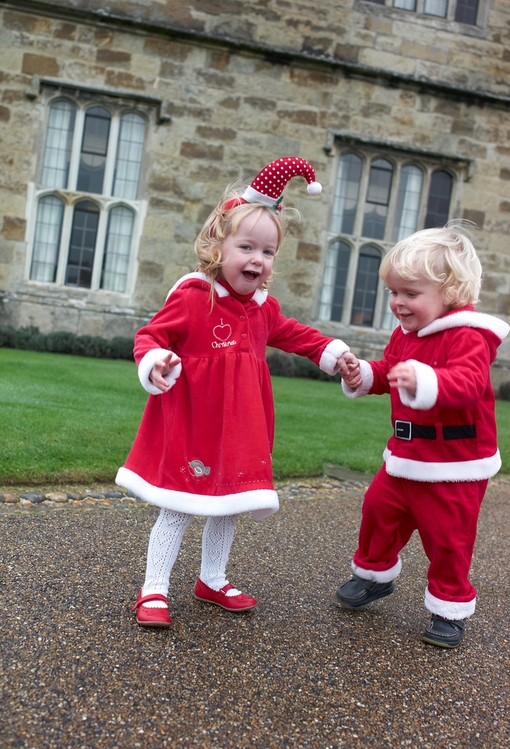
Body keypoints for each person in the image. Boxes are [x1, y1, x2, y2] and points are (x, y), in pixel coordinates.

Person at [117, 156, 359, 628]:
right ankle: (153, 589)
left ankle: (212, 577)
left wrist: (333, 353)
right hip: (194, 422)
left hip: (242, 424)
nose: (258, 260)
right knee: (179, 506)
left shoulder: (262, 309)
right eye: (247, 246)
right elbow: (151, 337)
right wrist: (155, 361)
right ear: (216, 246)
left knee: (230, 503)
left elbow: (293, 333)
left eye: (267, 252)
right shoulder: (194, 296)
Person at [336, 225, 509, 648]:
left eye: (410, 294)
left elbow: (466, 384)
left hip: (455, 465)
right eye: (393, 293)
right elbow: (392, 369)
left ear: (449, 291)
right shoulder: (406, 335)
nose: (397, 303)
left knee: (448, 538)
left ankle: (449, 608)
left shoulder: (470, 335)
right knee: (378, 510)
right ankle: (374, 576)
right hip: (406, 456)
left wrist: (425, 378)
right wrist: (366, 373)